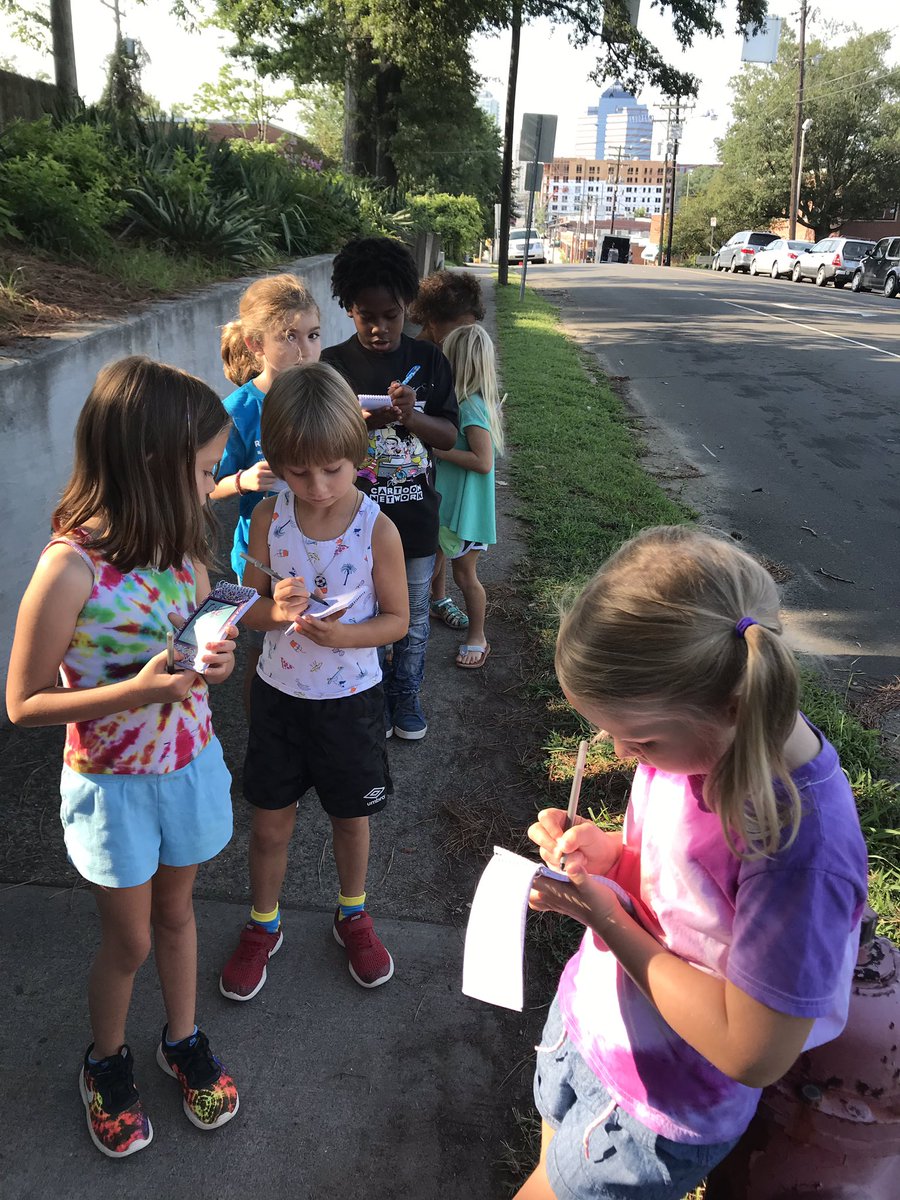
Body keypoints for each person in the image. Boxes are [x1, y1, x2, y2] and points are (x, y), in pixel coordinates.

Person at [516, 525, 868, 1200]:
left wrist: (608, 920)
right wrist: (612, 858)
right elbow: (683, 890)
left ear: (733, 705)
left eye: (640, 739)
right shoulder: (695, 744)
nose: (622, 755)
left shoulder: (797, 845)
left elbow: (751, 1049)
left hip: (661, 1107)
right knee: (547, 1166)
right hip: (594, 1027)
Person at [6, 357, 241, 1159]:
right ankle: (104, 1061)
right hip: (112, 788)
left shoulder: (182, 549)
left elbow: (198, 649)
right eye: (204, 470)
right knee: (131, 941)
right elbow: (22, 702)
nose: (211, 487)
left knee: (178, 915)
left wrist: (216, 662)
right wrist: (131, 694)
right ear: (151, 461)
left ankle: (183, 1038)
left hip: (187, 767)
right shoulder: (67, 568)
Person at [219, 362, 409, 1001]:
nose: (319, 486)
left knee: (351, 819)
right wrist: (276, 611)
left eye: (333, 468)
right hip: (279, 697)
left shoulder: (376, 527)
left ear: (358, 454)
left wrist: (344, 636)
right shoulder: (268, 518)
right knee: (269, 823)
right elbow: (245, 607)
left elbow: (397, 620)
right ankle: (263, 922)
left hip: (351, 701)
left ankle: (353, 913)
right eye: (300, 472)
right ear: (275, 463)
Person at [322, 236, 458, 741]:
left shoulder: (430, 359)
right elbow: (321, 444)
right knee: (363, 614)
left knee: (413, 617)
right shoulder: (332, 366)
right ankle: (372, 696)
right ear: (348, 309)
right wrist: (366, 422)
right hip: (352, 522)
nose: (380, 328)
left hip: (415, 519)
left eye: (392, 316)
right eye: (366, 316)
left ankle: (406, 694)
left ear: (407, 306)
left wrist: (412, 416)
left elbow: (448, 435)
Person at [214, 274, 322, 709]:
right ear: (256, 344)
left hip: (324, 542)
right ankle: (264, 729)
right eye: (290, 337)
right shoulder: (237, 411)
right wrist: (241, 481)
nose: (305, 350)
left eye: (313, 335)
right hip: (263, 556)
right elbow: (205, 486)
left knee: (319, 637)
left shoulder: (325, 394)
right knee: (266, 649)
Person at [429, 324, 505, 668]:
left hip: (465, 512)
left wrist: (439, 450)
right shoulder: (459, 402)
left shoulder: (471, 407)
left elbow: (483, 461)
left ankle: (478, 636)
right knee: (435, 558)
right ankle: (438, 602)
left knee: (465, 575)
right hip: (447, 505)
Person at [409, 269, 486, 347]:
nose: (468, 338)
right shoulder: (413, 353)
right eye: (460, 331)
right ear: (433, 321)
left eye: (470, 330)